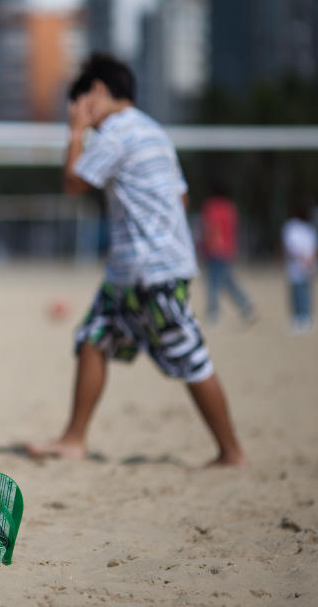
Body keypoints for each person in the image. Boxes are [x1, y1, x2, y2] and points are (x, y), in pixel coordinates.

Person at [26, 53, 247, 467]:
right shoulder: (154, 131)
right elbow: (180, 197)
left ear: (96, 92)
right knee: (93, 340)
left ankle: (232, 452)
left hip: (152, 270)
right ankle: (74, 439)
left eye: (79, 104)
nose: (81, 116)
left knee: (191, 357)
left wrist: (75, 134)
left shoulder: (116, 132)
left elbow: (74, 182)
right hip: (132, 271)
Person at [200, 179, 255, 325]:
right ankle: (245, 305)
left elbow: (212, 228)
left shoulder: (211, 206)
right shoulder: (231, 207)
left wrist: (211, 247)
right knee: (227, 281)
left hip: (215, 250)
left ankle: (213, 312)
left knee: (213, 283)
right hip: (229, 249)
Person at [282, 200, 317, 334]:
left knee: (300, 291)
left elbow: (290, 247)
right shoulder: (308, 228)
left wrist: (305, 259)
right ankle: (300, 317)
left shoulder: (291, 227)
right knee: (301, 291)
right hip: (304, 264)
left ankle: (303, 317)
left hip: (298, 265)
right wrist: (309, 260)